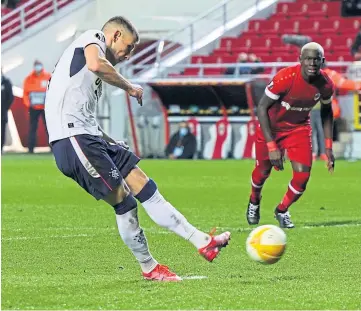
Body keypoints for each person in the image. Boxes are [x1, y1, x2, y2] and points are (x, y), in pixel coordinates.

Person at [45, 16, 230, 282]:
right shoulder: (93, 38)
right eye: (129, 47)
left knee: (143, 183)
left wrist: (109, 141)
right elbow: (97, 64)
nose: (129, 55)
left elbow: (84, 112)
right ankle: (150, 268)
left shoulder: (89, 76)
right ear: (116, 35)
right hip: (73, 140)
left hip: (89, 136)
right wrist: (129, 86)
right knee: (125, 202)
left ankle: (203, 241)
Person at [246, 42, 335, 229]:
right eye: (308, 59)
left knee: (303, 176)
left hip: (298, 129)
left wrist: (328, 146)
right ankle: (254, 200)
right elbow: (262, 107)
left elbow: (327, 111)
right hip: (271, 128)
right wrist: (272, 146)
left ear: (322, 61)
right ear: (300, 60)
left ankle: (282, 209)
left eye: (316, 59)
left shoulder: (326, 85)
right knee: (263, 172)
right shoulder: (285, 78)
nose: (312, 63)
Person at [23, 60, 51, 153]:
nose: (37, 67)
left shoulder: (48, 77)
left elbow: (52, 91)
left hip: (46, 108)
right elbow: (25, 93)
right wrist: (28, 104)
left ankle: (52, 148)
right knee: (32, 128)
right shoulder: (29, 78)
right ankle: (31, 149)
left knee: (49, 128)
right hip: (34, 108)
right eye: (36, 66)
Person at [1, 69, 14, 152]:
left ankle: (0, 148)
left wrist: (5, 107)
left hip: (2, 112)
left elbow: (10, 97)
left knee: (2, 131)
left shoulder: (6, 82)